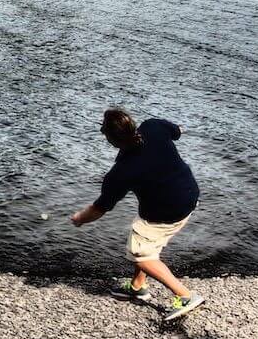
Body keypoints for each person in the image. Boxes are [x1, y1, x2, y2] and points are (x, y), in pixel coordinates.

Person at [70, 108, 205, 322]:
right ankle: (137, 286)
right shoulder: (153, 127)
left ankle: (186, 296)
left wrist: (79, 218)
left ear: (111, 139)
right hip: (190, 197)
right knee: (145, 239)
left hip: (165, 213)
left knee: (139, 253)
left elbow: (100, 208)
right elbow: (178, 130)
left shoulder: (121, 172)